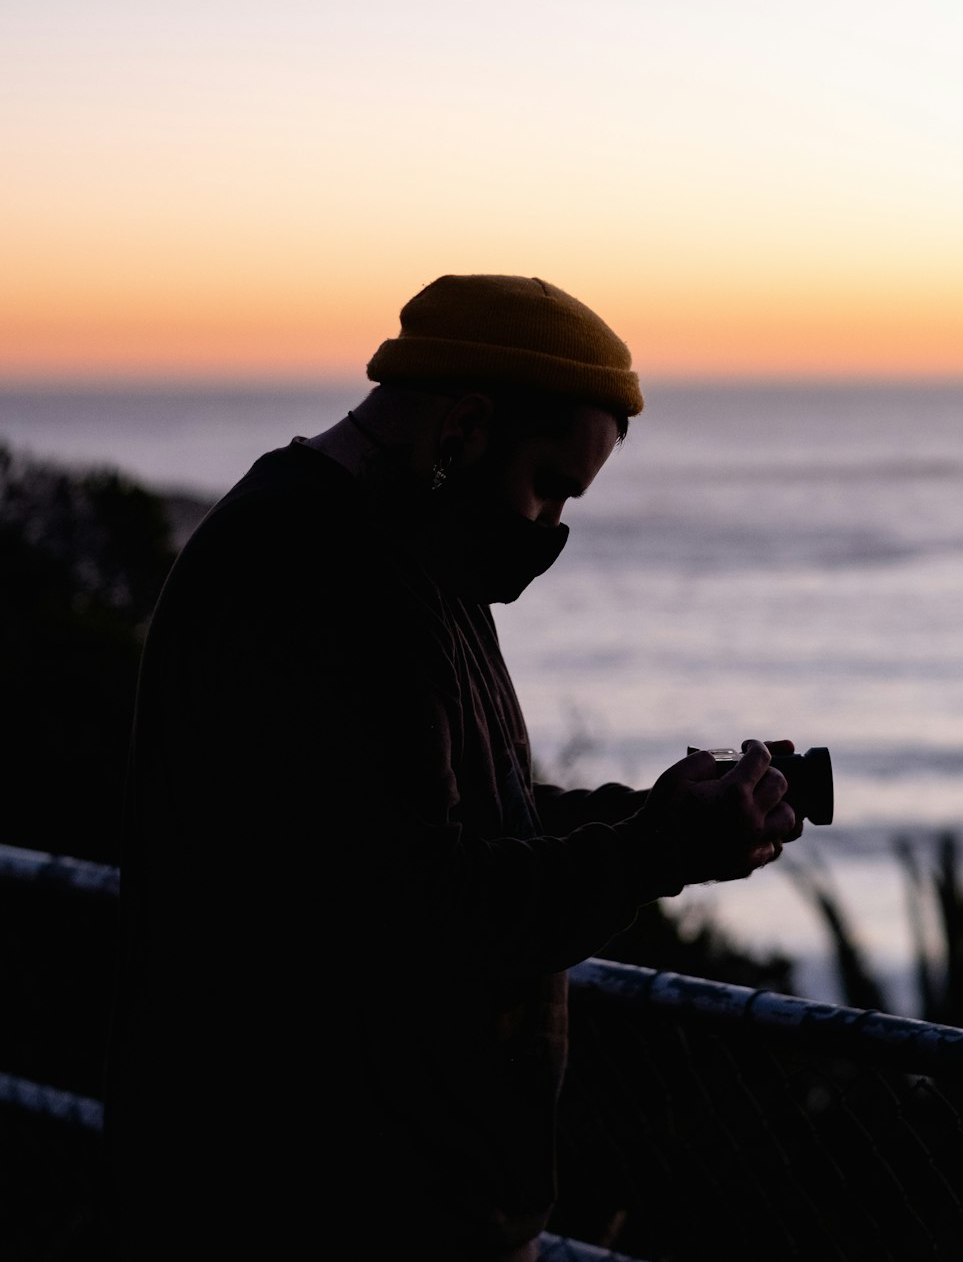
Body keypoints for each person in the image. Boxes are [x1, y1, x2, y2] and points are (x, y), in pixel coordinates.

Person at [103, 273, 803, 1261]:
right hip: (310, 1203)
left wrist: (657, 814)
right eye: (551, 485)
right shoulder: (308, 572)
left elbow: (466, 818)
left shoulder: (413, 555)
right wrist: (660, 849)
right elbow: (419, 909)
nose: (552, 524)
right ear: (463, 429)